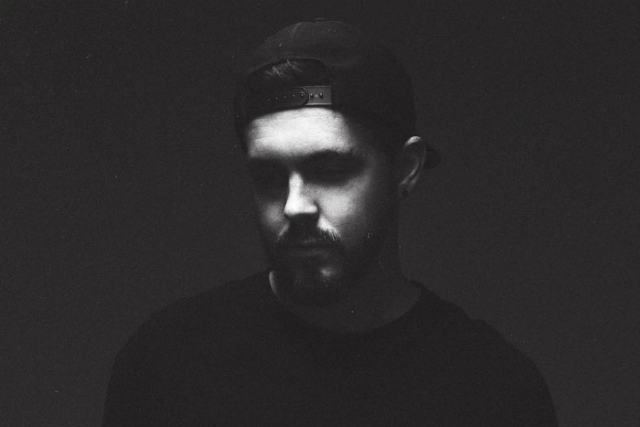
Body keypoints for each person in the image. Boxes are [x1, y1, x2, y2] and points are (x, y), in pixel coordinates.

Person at [103, 20, 557, 426]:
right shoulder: (166, 364)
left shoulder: (494, 392)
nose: (294, 206)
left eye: (330, 170)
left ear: (405, 169)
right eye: (268, 177)